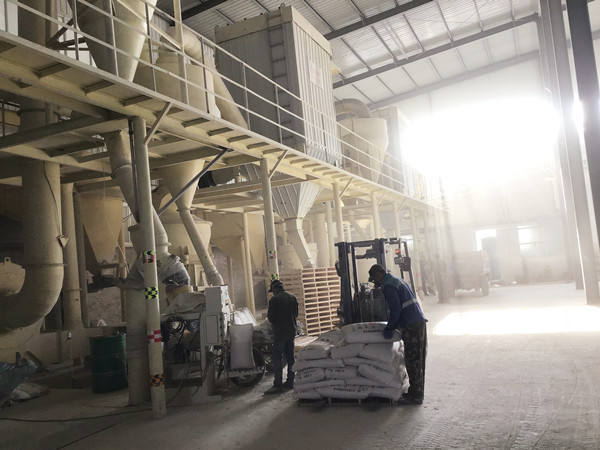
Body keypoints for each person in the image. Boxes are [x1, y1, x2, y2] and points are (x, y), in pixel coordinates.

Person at [368, 264, 428, 405]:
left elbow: (395, 310)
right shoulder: (396, 280)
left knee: (413, 361)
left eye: (374, 278)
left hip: (411, 325)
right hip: (418, 322)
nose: (375, 282)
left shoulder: (388, 286)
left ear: (380, 273)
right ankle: (416, 393)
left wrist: (389, 328)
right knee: (418, 360)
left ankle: (415, 396)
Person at [264, 279, 298, 395]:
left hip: (280, 333)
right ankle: (290, 382)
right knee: (290, 358)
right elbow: (296, 314)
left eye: (272, 291)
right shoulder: (292, 297)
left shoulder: (274, 300)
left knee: (277, 358)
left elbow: (271, 318)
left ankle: (278, 384)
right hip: (291, 332)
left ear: (275, 289)